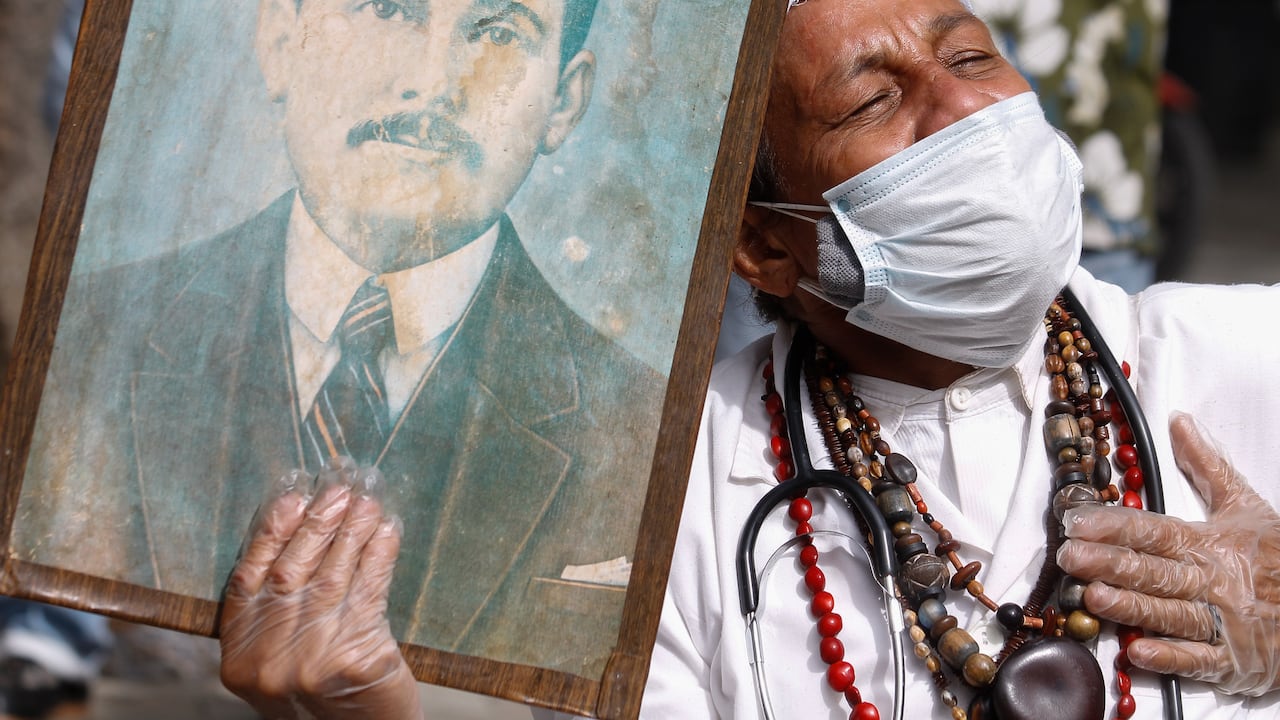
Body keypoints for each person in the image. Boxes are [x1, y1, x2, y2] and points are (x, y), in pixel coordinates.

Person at [217, 0, 1280, 717]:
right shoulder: (666, 504)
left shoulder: (1236, 357)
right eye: (873, 101)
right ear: (766, 245)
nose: (960, 111)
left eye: (968, 57)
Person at [17, 0, 662, 678]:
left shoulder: (639, 437)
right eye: (387, 8)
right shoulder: (96, 331)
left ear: (562, 101)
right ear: (279, 39)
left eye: (498, 33)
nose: (431, 79)